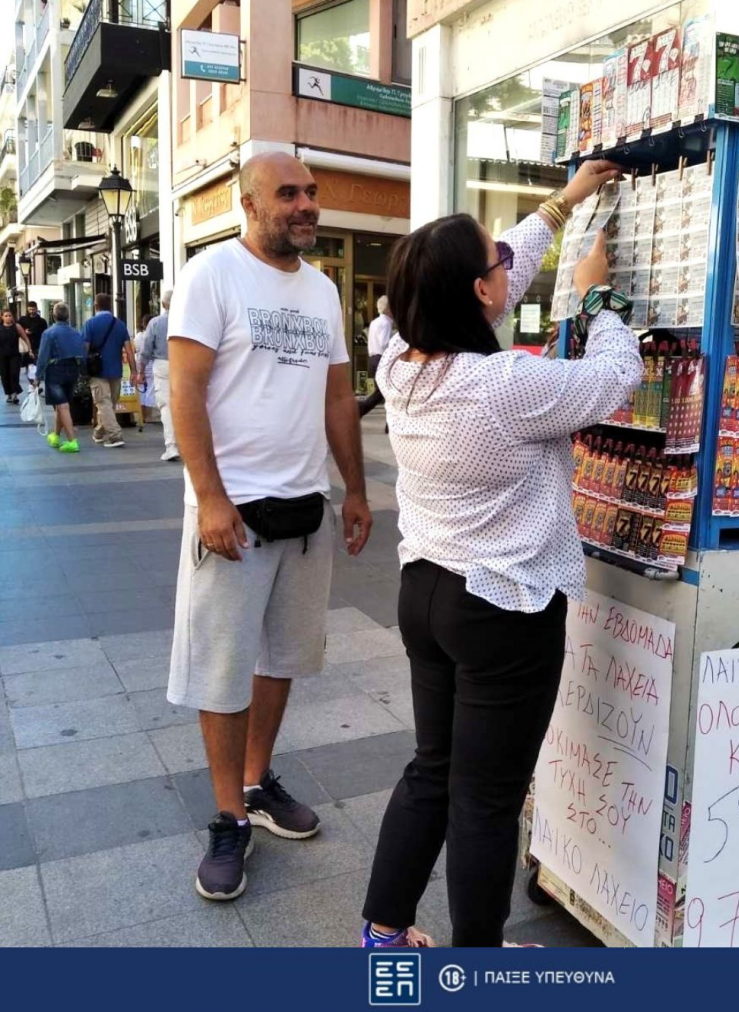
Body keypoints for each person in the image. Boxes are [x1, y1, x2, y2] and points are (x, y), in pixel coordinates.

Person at [359, 159, 640, 948]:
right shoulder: (505, 386)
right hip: (502, 609)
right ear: (479, 294)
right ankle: (477, 964)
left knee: (431, 770)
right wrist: (597, 299)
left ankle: (383, 930)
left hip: (426, 594)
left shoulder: (398, 359)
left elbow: (495, 276)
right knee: (486, 797)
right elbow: (615, 376)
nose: (507, 267)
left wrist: (564, 203)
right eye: (497, 263)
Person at [167, 151, 374, 902]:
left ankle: (256, 784)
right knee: (223, 670)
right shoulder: (212, 276)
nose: (306, 204)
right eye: (288, 193)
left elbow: (337, 398)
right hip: (232, 513)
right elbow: (183, 391)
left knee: (282, 657)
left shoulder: (322, 291)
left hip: (304, 508)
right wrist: (211, 497)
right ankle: (228, 818)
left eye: (312, 193)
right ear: (248, 202)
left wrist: (353, 489)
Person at [81, 293, 139, 448]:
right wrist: (134, 371)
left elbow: (84, 349)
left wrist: (82, 368)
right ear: (110, 306)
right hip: (116, 371)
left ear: (95, 305)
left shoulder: (90, 324)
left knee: (103, 403)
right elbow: (129, 350)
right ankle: (99, 432)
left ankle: (115, 435)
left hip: (97, 371)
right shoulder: (119, 324)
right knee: (108, 404)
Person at [36, 302, 85, 453]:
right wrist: (83, 371)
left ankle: (72, 441)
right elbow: (82, 353)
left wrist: (37, 376)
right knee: (61, 404)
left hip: (55, 370)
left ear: (54, 315)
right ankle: (56, 436)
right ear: (68, 316)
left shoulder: (49, 333)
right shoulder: (76, 332)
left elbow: (43, 356)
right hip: (72, 369)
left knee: (62, 406)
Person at [139, 292, 178, 461]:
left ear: (163, 304)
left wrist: (140, 370)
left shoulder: (155, 323)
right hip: (185, 364)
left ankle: (172, 446)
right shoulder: (188, 320)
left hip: (162, 364)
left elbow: (146, 349)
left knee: (166, 406)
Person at [358, 295, 393, 418]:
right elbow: (384, 343)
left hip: (372, 358)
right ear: (388, 309)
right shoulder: (386, 323)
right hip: (381, 359)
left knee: (383, 391)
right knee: (384, 392)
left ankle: (362, 409)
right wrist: (394, 342)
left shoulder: (374, 322)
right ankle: (361, 408)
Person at [0, 308, 28, 403]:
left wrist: (30, 349)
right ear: (2, 317)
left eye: (10, 315)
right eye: (6, 316)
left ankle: (14, 395)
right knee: (4, 375)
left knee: (14, 374)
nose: (8, 318)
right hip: (2, 356)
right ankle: (8, 394)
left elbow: (25, 338)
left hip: (15, 355)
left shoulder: (17, 327)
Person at [20, 300, 47, 390]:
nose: (31, 311)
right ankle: (34, 385)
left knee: (36, 366)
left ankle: (35, 385)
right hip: (26, 347)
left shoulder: (42, 321)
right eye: (30, 309)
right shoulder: (23, 320)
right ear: (28, 309)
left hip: (38, 346)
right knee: (29, 367)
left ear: (36, 309)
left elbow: (45, 334)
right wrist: (24, 331)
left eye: (33, 309)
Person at [135, 313, 157, 416]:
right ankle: (150, 414)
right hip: (151, 365)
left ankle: (142, 414)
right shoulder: (153, 335)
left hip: (140, 364)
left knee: (141, 391)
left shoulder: (138, 337)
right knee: (151, 390)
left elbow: (135, 349)